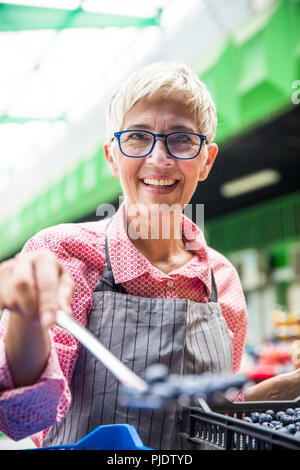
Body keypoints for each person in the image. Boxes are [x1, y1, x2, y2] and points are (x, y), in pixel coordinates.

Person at [0, 62, 299, 450]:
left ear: (206, 160)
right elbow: (23, 419)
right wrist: (27, 319)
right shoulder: (65, 255)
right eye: (138, 137)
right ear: (112, 156)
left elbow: (217, 412)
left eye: (182, 139)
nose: (159, 158)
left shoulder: (221, 278)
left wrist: (292, 385)